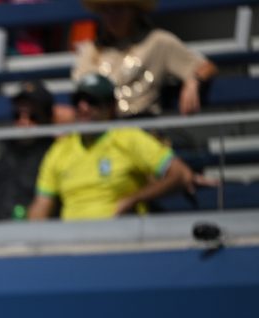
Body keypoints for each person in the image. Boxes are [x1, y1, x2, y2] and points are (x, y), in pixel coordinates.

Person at [28, 73, 195, 221]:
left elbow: (179, 174)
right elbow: (41, 207)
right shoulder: (59, 150)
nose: (83, 107)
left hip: (120, 240)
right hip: (72, 244)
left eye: (92, 101)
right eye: (77, 101)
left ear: (110, 107)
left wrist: (133, 199)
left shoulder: (129, 137)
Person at [72, 0, 217, 117]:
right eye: (105, 9)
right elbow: (81, 95)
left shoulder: (157, 41)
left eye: (118, 8)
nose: (111, 16)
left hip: (140, 125)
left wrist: (193, 81)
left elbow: (206, 66)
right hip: (100, 130)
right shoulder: (91, 49)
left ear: (134, 10)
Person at [0, 81, 57, 222]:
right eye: (17, 115)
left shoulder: (56, 155)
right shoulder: (3, 154)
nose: (23, 122)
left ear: (47, 118)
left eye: (32, 116)